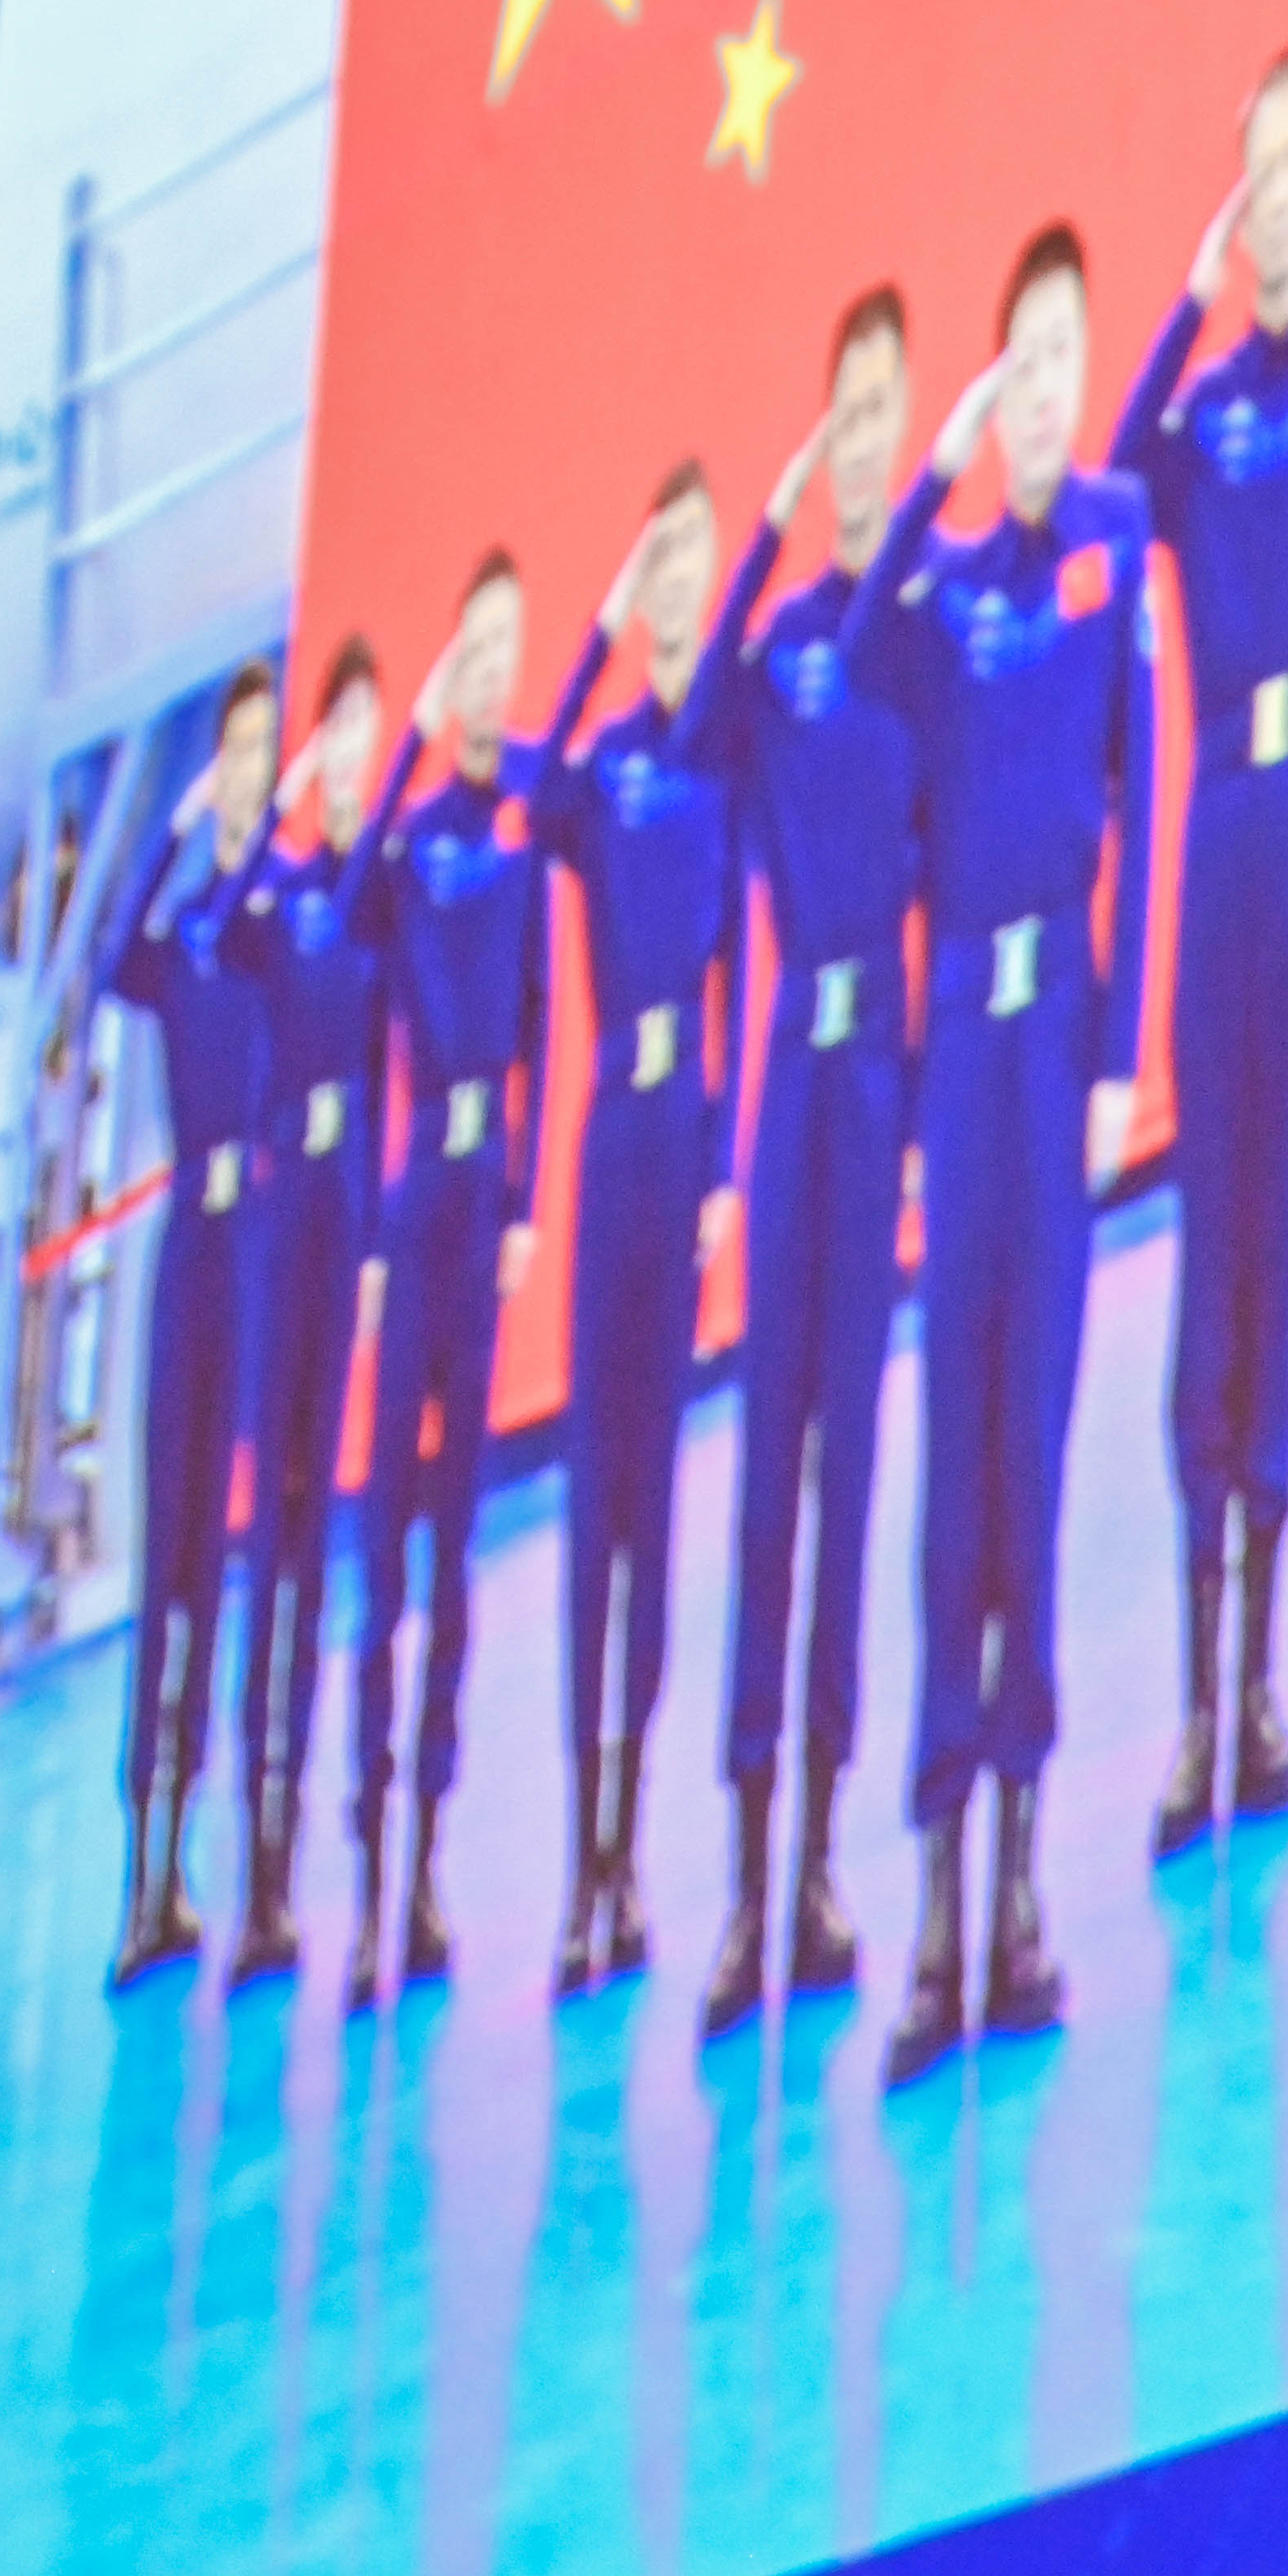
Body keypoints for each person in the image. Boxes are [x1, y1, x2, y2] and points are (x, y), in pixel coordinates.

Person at [861, 231, 1152, 2078]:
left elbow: (1148, 776)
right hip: (959, 1056)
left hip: (1058, 1053)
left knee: (1031, 1459)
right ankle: (935, 1908)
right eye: (1017, 363)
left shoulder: (1117, 542)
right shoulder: (946, 593)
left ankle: (1026, 1887)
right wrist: (938, 463)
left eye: (1063, 359)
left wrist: (1119, 1062)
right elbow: (863, 632)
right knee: (949, 1482)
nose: (1043, 393)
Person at [1111, 50, 1288, 1838]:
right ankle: (1193, 1688)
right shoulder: (1203, 409)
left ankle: (1263, 1685)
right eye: (1257, 168)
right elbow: (1118, 461)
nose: (1281, 194)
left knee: (1278, 1243)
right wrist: (1187, 295)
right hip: (1216, 834)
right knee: (1209, 1237)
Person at [689, 295, 921, 2028]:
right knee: (769, 1475)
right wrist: (765, 530)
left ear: (907, 433)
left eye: (882, 413)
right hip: (789, 1081)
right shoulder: (776, 649)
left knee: (850, 1484)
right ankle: (743, 1873)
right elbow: (692, 734)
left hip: (882, 1076)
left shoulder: (921, 623)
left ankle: (826, 1861)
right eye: (840, 413)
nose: (861, 440)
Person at [526, 470, 736, 1993]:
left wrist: (724, 1164)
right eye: (660, 560)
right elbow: (534, 798)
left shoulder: (719, 746)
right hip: (609, 1136)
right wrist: (598, 631)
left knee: (655, 1494)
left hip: (684, 1134)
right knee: (595, 1488)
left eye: (692, 560)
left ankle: (632, 1833)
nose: (677, 581)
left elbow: (740, 966)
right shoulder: (601, 769)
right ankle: (578, 1864)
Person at [346, 553, 555, 2007]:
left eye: (505, 653)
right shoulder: (413, 844)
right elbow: (356, 916)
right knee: (385, 1556)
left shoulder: (521, 832)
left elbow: (538, 1016)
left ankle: (427, 1851)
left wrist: (528, 1202)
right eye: (471, 652)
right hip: (417, 1197)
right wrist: (375, 1235)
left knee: (459, 1545)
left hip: (488, 1202)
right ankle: (368, 1862)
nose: (490, 676)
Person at [84, 659, 281, 1985]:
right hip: (189, 1256)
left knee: (218, 1556)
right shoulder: (188, 934)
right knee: (164, 1557)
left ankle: (199, 1858)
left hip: (258, 1235)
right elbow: (115, 963)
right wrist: (172, 826)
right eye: (237, 749)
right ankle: (139, 1871)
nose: (251, 768)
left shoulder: (272, 918)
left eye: (266, 748)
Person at [222, 634, 389, 1989]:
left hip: (345, 1217)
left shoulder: (370, 889)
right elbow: (221, 931)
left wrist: (381, 1237)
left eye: (368, 734)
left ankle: (293, 1857)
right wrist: (272, 807)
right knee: (266, 1535)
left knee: (314, 1536)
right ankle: (254, 1858)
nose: (353, 755)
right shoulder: (276, 896)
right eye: (339, 731)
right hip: (279, 1214)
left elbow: (389, 1065)